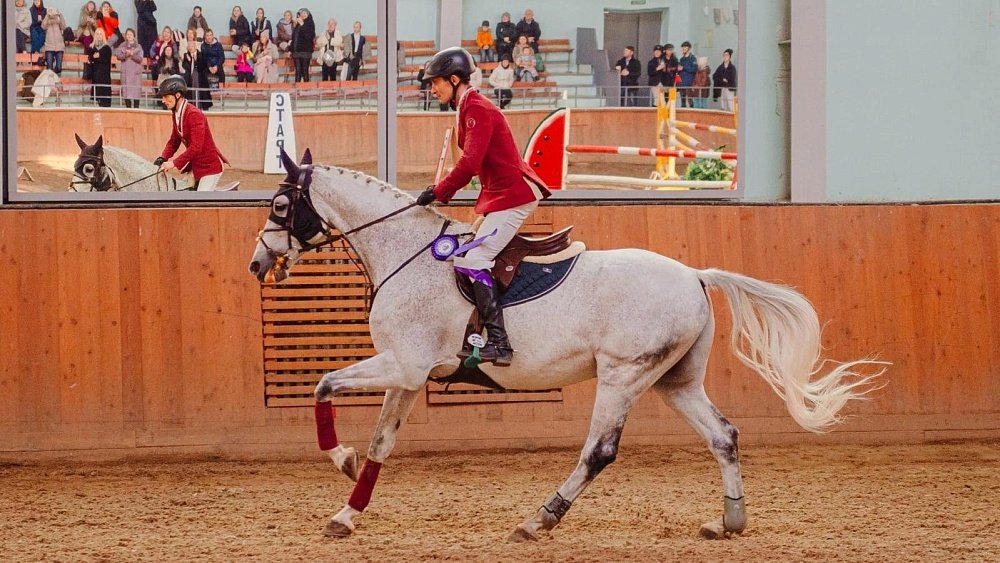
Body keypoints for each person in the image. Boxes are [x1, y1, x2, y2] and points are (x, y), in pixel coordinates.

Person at [415, 47, 551, 366]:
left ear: (453, 79)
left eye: (436, 82)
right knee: (465, 251)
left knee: (475, 257)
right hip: (501, 195)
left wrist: (438, 192)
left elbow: (469, 164)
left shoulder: (476, 107)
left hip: (514, 194)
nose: (432, 88)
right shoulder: (466, 108)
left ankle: (500, 343)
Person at [154, 75, 230, 191]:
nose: (163, 101)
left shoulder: (194, 114)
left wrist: (173, 163)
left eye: (166, 96)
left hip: (210, 167)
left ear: (178, 95)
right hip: (196, 166)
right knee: (182, 192)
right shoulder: (176, 113)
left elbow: (196, 147)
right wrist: (163, 157)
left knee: (199, 201)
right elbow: (174, 141)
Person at [115, 28, 143, 108]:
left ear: (134, 36)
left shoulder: (138, 46)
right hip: (126, 73)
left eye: (131, 34)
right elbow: (118, 56)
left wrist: (132, 55)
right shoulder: (122, 45)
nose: (129, 36)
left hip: (135, 74)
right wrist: (126, 55)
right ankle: (128, 108)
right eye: (128, 34)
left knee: (136, 92)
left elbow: (140, 59)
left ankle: (136, 108)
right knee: (126, 92)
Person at [182, 40, 211, 110]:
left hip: (200, 77)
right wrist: (189, 61)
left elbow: (203, 65)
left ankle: (201, 107)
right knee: (190, 93)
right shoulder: (186, 55)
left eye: (192, 46)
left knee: (201, 93)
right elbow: (184, 65)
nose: (190, 48)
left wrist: (195, 59)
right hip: (190, 78)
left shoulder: (201, 54)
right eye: (189, 46)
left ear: (195, 46)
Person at [89, 27, 113, 107]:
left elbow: (107, 60)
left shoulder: (107, 48)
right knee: (97, 93)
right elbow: (90, 59)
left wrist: (99, 56)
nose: (99, 36)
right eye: (97, 34)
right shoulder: (92, 47)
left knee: (104, 94)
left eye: (100, 34)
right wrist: (94, 57)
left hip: (104, 74)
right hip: (96, 73)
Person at [291, 9, 315, 82]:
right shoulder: (297, 24)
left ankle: (306, 90)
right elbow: (294, 38)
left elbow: (309, 37)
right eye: (301, 13)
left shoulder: (310, 23)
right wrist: (291, 49)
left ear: (308, 14)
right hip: (296, 52)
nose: (303, 14)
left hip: (305, 51)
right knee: (297, 72)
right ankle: (296, 90)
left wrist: (302, 25)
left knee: (305, 71)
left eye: (305, 13)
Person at [42, 7, 66, 75]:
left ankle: (54, 76)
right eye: (50, 10)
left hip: (59, 46)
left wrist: (60, 14)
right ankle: (51, 81)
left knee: (59, 67)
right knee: (49, 68)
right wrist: (47, 15)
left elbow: (63, 26)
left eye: (52, 11)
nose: (51, 12)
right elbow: (43, 26)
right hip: (49, 47)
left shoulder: (58, 19)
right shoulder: (46, 19)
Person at [678, 41, 697, 108]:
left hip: (689, 83)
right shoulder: (681, 59)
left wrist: (684, 67)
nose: (683, 49)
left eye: (685, 47)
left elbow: (694, 69)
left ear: (689, 48)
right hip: (682, 83)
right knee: (683, 102)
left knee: (690, 101)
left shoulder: (692, 58)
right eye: (682, 48)